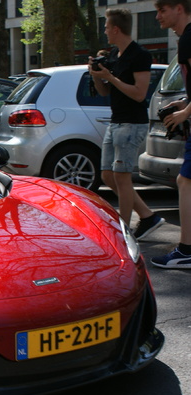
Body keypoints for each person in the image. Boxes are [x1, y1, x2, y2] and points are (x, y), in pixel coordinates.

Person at [89, 8, 164, 239]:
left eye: (106, 28)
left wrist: (111, 77)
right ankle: (148, 216)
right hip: (116, 121)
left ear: (116, 29)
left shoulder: (139, 55)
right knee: (108, 176)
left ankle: (125, 231)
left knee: (121, 176)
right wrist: (95, 74)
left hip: (132, 123)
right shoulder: (114, 54)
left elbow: (140, 94)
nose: (104, 32)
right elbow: (104, 91)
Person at [151, 0, 191, 269]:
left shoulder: (188, 40)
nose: (157, 17)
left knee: (185, 182)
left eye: (162, 10)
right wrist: (184, 102)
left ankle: (186, 251)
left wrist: (185, 113)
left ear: (179, 7)